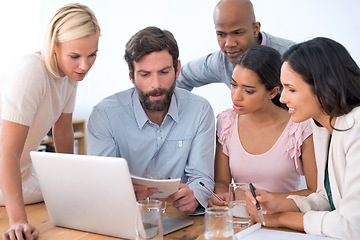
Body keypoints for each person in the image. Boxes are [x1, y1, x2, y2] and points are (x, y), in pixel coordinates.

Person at [87, 26, 215, 214]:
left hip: (180, 218)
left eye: (164, 72)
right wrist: (117, 192)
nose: (156, 85)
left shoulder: (200, 110)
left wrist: (195, 195)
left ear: (177, 69)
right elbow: (101, 183)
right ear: (131, 76)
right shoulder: (105, 115)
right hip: (124, 217)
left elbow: (202, 178)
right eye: (145, 74)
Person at [0, 3, 100, 240]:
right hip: (4, 168)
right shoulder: (31, 72)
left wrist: (69, 184)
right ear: (54, 46)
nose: (84, 66)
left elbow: (63, 130)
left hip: (23, 172)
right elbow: (7, 150)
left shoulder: (70, 76)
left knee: (84, 191)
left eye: (92, 54)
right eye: (74, 56)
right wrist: (18, 222)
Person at [246, 37, 360, 239]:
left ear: (324, 86)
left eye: (292, 89)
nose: (282, 98)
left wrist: (282, 219)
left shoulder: (356, 128)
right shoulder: (321, 126)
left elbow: (352, 226)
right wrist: (280, 204)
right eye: (283, 88)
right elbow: (329, 198)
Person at [208, 45, 317, 208]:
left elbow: (315, 192)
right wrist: (221, 197)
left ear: (273, 92)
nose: (236, 96)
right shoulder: (226, 122)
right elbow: (222, 182)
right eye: (234, 84)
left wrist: (266, 199)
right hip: (241, 221)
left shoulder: (299, 127)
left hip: (285, 222)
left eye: (248, 91)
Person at [176, 0, 295, 91]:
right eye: (221, 34)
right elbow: (182, 77)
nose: (229, 44)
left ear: (255, 29)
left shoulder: (291, 56)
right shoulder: (220, 61)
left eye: (238, 33)